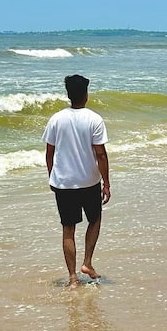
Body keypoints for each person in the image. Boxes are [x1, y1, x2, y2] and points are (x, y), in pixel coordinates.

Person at [43, 74, 111, 288]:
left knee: (68, 228)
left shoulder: (56, 119)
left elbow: (49, 152)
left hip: (63, 183)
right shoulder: (94, 119)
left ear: (69, 95)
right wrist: (106, 183)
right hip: (89, 181)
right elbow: (101, 154)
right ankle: (87, 263)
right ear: (86, 95)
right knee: (95, 220)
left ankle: (73, 278)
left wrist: (52, 175)